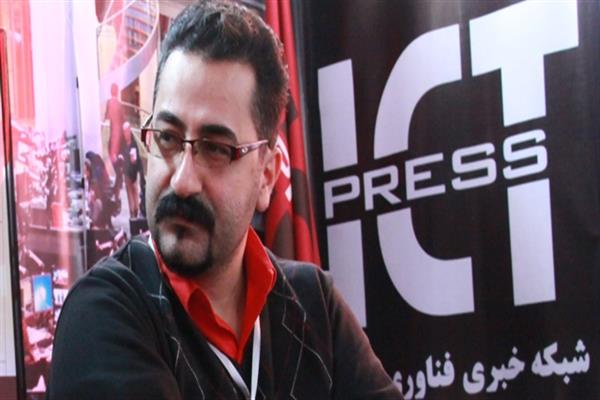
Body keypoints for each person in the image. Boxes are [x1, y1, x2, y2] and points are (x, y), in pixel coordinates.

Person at [48, 1, 403, 399]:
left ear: (266, 175)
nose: (182, 181)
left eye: (216, 149)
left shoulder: (313, 303)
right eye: (167, 138)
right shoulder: (105, 310)